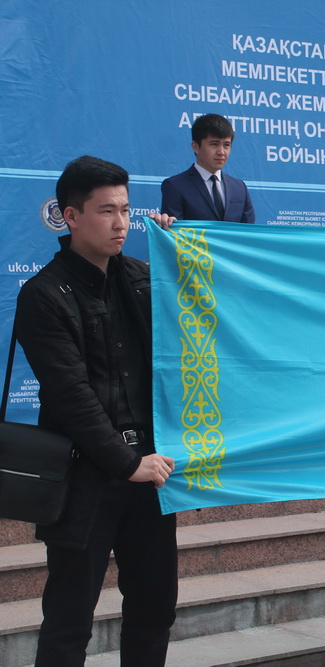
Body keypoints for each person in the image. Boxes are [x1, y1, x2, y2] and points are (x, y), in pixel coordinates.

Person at [16, 156, 179, 666]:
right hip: (85, 478)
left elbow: (199, 323)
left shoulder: (143, 278)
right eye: (107, 211)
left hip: (151, 474)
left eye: (126, 210)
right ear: (70, 216)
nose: (121, 223)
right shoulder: (44, 295)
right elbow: (72, 396)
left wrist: (179, 254)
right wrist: (127, 462)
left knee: (155, 608)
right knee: (69, 622)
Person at [161, 113, 256, 223]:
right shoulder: (175, 186)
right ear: (195, 147)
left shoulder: (239, 188)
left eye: (226, 145)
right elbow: (174, 231)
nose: (221, 152)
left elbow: (249, 231)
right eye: (214, 144)